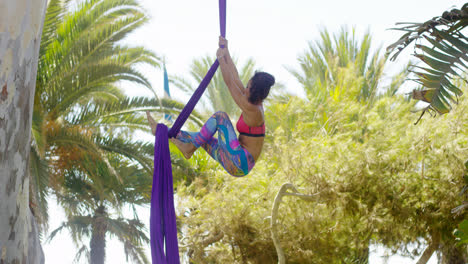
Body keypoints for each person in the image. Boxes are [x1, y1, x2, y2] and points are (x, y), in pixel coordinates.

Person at [147, 36, 275, 177]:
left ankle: (189, 149)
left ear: (255, 92)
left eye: (248, 87)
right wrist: (226, 51)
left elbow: (230, 83)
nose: (245, 89)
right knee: (202, 137)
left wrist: (220, 59)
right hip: (236, 163)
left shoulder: (254, 110)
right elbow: (236, 77)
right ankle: (163, 132)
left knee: (220, 117)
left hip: (239, 161)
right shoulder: (253, 100)